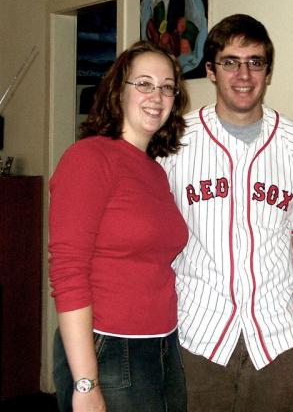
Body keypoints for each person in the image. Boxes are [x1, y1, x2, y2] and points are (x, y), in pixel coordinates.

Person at [159, 14, 293, 411]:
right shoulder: (176, 141)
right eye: (230, 62)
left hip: (276, 338)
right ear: (210, 70)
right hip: (199, 334)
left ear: (268, 71)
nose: (244, 74)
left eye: (255, 62)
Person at [49, 40, 190, 411]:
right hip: (108, 347)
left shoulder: (155, 170)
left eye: (166, 86)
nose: (156, 95)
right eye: (143, 83)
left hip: (162, 343)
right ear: (118, 91)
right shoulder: (89, 158)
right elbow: (68, 271)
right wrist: (85, 381)